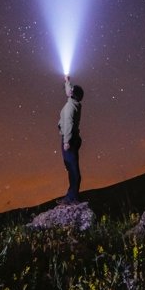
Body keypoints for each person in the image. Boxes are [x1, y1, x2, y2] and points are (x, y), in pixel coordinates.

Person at [58, 75, 84, 205]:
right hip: (74, 138)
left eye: (72, 90)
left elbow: (68, 124)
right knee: (72, 167)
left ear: (73, 95)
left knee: (72, 168)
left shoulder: (70, 107)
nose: (70, 91)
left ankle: (72, 198)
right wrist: (67, 82)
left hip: (69, 139)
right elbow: (70, 92)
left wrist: (66, 141)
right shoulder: (74, 103)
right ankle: (72, 195)